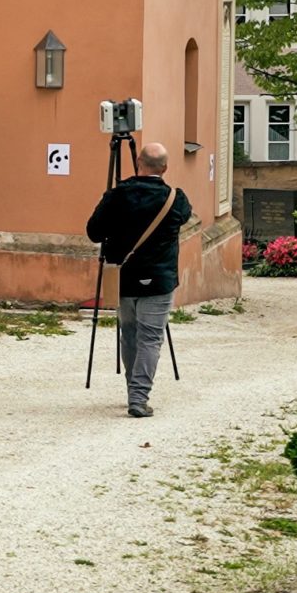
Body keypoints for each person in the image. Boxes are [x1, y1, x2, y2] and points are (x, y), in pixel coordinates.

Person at [85, 141, 192, 419]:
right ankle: (138, 397)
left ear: (138, 163)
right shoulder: (176, 198)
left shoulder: (117, 195)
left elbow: (94, 233)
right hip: (159, 280)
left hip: (122, 278)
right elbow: (184, 219)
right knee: (150, 337)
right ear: (165, 168)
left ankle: (133, 391)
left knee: (130, 334)